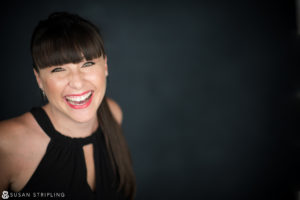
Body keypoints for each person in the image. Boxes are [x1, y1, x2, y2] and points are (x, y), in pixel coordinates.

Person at [0, 12, 136, 200]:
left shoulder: (113, 113)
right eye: (59, 69)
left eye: (87, 64)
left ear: (105, 66)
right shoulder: (6, 143)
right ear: (39, 79)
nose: (78, 83)